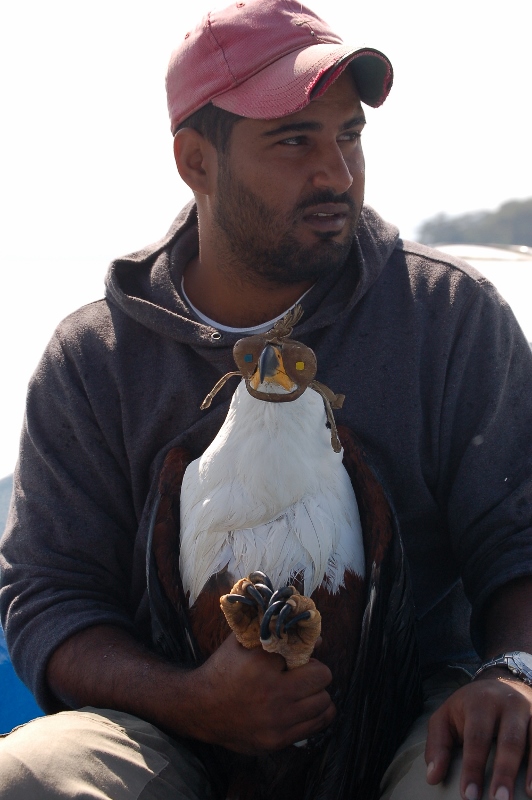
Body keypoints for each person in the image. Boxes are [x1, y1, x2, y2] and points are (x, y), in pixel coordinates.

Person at [1, 0, 532, 798]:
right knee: (33, 777)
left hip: (419, 708)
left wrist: (513, 674)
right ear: (195, 161)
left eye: (348, 135)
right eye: (294, 141)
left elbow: (520, 541)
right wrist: (191, 701)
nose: (336, 173)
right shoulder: (97, 360)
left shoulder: (447, 317)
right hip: (177, 725)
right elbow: (50, 596)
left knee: (493, 777)